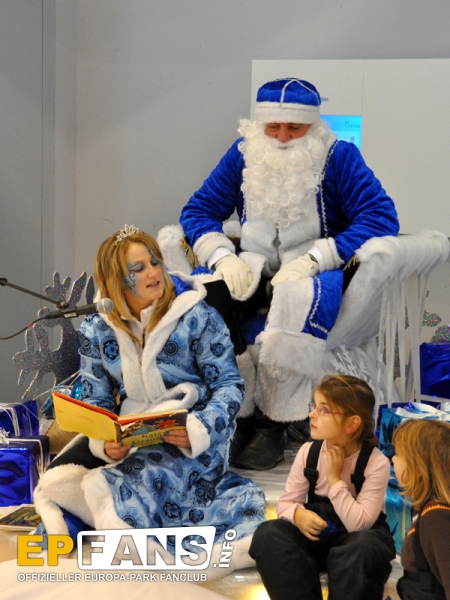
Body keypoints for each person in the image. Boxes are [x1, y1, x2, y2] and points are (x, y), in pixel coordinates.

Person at [176, 77, 400, 470]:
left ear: (312, 125)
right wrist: (223, 256)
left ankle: (273, 423)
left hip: (313, 270)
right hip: (252, 264)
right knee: (207, 292)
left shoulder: (339, 157)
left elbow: (380, 217)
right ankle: (236, 410)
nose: (281, 137)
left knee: (296, 300)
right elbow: (198, 210)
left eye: (294, 127)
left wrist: (318, 257)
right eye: (273, 127)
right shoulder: (243, 154)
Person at [34, 225, 265, 566]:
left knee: (137, 476)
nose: (154, 273)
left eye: (155, 262)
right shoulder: (97, 328)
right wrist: (104, 442)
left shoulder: (198, 316)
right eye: (138, 268)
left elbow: (230, 386)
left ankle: (118, 529)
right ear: (116, 278)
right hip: (130, 430)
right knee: (58, 478)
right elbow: (96, 399)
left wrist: (197, 429)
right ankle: (76, 522)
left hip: (189, 431)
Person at [248, 374, 396, 600]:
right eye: (314, 406)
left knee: (364, 547)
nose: (312, 414)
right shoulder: (309, 452)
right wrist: (297, 515)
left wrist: (335, 479)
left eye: (324, 410)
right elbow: (287, 502)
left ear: (352, 424)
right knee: (268, 534)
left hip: (355, 541)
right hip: (316, 537)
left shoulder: (376, 463)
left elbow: (359, 524)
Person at [393, 419, 450, 600]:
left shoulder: (436, 517)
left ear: (417, 468)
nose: (392, 459)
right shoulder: (426, 507)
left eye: (398, 454)